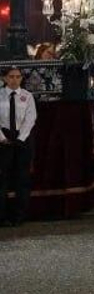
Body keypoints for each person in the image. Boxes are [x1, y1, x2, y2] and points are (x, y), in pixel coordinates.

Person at [0, 66, 39, 226]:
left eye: (18, 76)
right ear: (4, 78)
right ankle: (1, 217)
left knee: (22, 179)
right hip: (3, 138)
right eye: (11, 76)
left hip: (22, 139)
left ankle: (19, 216)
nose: (15, 79)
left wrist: (21, 138)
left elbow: (31, 118)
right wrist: (2, 138)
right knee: (2, 179)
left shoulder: (27, 96)